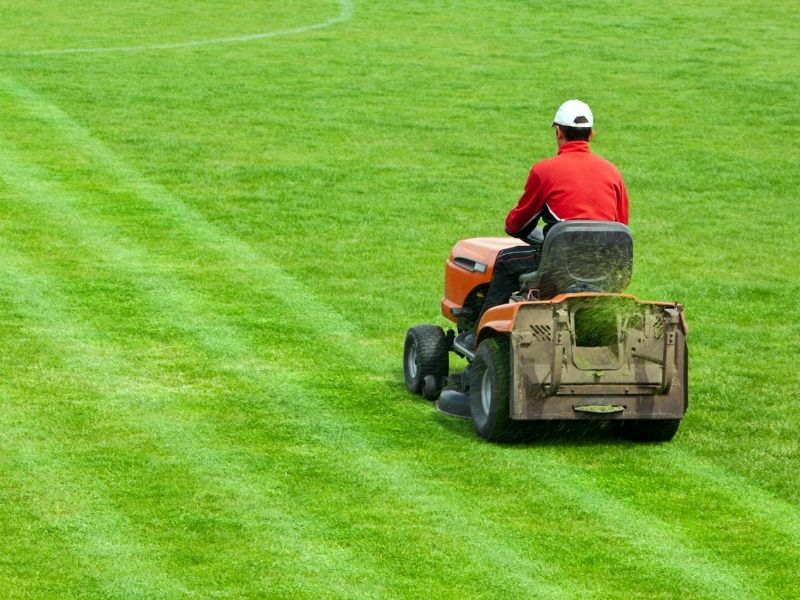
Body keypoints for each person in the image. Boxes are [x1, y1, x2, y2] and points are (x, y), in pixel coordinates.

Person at [478, 99, 629, 321]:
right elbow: (621, 225)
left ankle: (482, 332)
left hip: (560, 264)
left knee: (505, 261)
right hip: (601, 265)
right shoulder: (612, 172)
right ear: (591, 134)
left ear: (558, 132)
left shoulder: (545, 171)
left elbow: (515, 225)